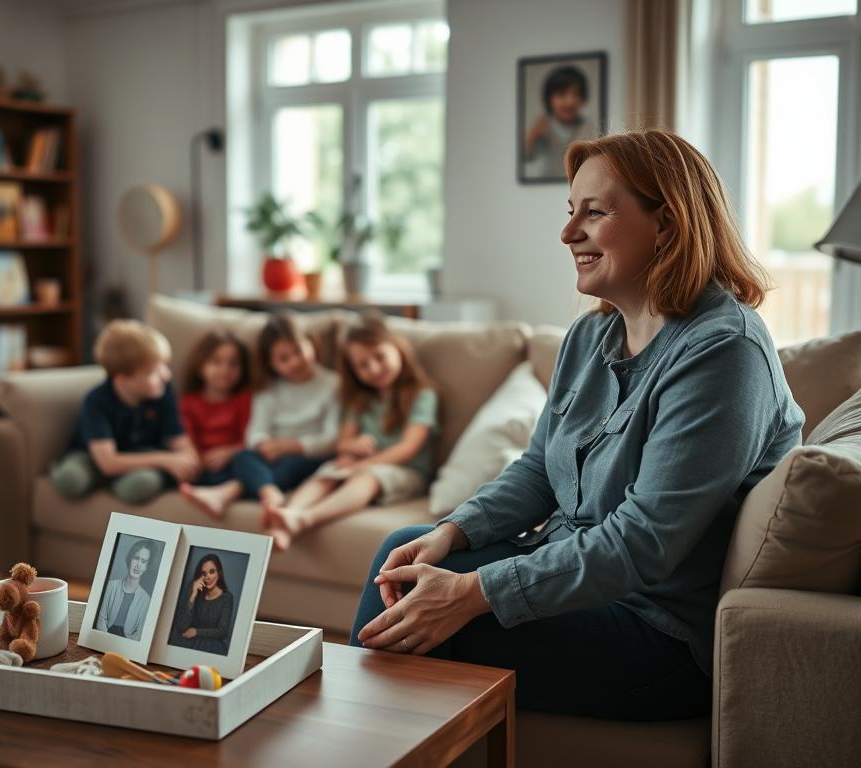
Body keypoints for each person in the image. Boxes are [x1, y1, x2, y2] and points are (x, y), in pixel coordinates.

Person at [351, 129, 805, 721]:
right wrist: (455, 530)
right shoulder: (591, 335)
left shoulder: (724, 354)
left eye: (595, 213)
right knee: (404, 551)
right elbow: (540, 467)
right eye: (572, 211)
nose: (568, 234)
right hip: (576, 585)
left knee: (416, 631)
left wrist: (472, 593)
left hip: (654, 634)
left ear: (666, 224)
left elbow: (644, 543)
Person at [266, 316, 439, 551]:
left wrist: (362, 465)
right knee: (330, 470)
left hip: (407, 472)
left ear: (397, 347)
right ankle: (286, 517)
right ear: (353, 371)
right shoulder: (360, 399)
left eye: (379, 356)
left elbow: (407, 448)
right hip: (362, 463)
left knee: (365, 476)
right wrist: (351, 447)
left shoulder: (422, 394)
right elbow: (342, 443)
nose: (374, 369)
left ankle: (304, 520)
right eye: (363, 365)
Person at [51, 320, 200, 505]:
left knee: (141, 484)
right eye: (154, 371)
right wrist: (166, 459)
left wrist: (188, 460)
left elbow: (178, 439)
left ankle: (115, 481)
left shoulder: (163, 391)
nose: (166, 375)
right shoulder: (97, 400)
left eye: (164, 366)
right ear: (122, 380)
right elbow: (108, 462)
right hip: (94, 458)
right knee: (69, 480)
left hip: (142, 456)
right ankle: (99, 478)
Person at [228, 312, 340, 521]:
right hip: (271, 454)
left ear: (312, 343)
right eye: (283, 359)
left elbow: (332, 439)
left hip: (309, 457)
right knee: (242, 457)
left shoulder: (334, 384)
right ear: (271, 364)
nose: (295, 362)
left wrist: (290, 446)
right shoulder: (268, 390)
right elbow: (255, 432)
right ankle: (268, 490)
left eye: (298, 351)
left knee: (290, 465)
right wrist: (263, 444)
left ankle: (240, 489)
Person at [178, 332, 253, 518]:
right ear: (201, 365)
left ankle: (223, 493)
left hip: (233, 466)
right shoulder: (188, 402)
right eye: (216, 362)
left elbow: (250, 440)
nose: (225, 369)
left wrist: (230, 452)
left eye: (233, 363)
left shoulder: (244, 399)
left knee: (252, 463)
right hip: (201, 466)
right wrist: (197, 459)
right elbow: (185, 438)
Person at [524, 65, 598, 179]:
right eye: (561, 95)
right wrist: (533, 135)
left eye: (576, 94)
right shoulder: (542, 125)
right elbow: (526, 156)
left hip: (579, 181)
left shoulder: (587, 126)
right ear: (549, 99)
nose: (570, 101)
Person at [173, 553, 234, 655]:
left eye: (212, 572)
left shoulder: (227, 598)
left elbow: (222, 631)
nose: (208, 577)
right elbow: (181, 626)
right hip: (191, 644)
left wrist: (196, 631)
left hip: (211, 647)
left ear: (219, 572)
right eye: (204, 573)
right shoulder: (196, 591)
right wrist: (193, 596)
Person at [95, 538, 154, 641]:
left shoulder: (146, 599)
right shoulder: (110, 586)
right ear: (129, 559)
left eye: (143, 561)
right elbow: (101, 619)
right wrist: (105, 641)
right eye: (136, 558)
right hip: (103, 639)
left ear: (146, 567)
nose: (138, 565)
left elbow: (139, 634)